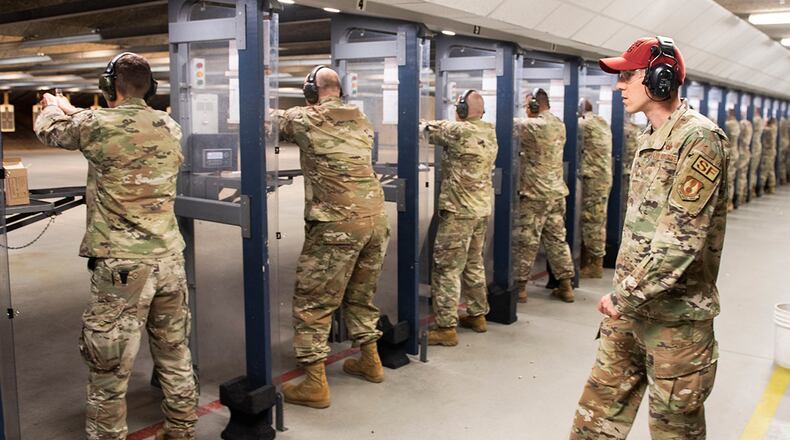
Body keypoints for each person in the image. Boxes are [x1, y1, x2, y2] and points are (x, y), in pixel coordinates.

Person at [34, 52, 198, 440]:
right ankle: (182, 429)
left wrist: (52, 107)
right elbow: (104, 123)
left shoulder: (95, 125)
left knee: (109, 369)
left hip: (123, 267)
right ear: (151, 88)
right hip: (170, 260)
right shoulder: (169, 126)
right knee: (174, 354)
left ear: (108, 88)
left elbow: (52, 130)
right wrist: (74, 110)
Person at [571, 36, 728, 439]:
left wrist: (621, 296)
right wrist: (625, 301)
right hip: (630, 314)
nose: (619, 86)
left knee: (675, 431)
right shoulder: (650, 138)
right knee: (593, 422)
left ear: (660, 79)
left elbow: (680, 243)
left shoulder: (699, 140)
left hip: (676, 324)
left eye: (629, 76)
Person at [275, 65, 389, 409]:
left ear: (311, 91)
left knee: (313, 300)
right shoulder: (363, 119)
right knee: (360, 294)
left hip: (337, 225)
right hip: (375, 220)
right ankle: (371, 360)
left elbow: (271, 120)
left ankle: (314, 383)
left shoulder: (306, 118)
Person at [420, 90, 498, 346]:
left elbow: (425, 129)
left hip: (459, 213)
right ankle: (477, 315)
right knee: (474, 263)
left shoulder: (459, 131)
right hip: (480, 211)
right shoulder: (489, 132)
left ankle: (446, 327)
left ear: (462, 110)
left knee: (446, 269)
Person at [512, 88, 575, 303]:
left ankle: (520, 288)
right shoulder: (559, 123)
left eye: (526, 104)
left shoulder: (534, 125)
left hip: (535, 195)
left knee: (526, 241)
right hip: (556, 193)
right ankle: (566, 285)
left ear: (534, 106)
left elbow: (505, 124)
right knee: (557, 240)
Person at [578, 98, 613, 278]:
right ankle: (593, 261)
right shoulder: (601, 122)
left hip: (594, 179)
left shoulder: (585, 124)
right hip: (603, 177)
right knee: (598, 220)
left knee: (592, 221)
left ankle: (595, 265)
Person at [723, 109, 740, 210]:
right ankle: (731, 202)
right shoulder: (737, 124)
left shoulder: (729, 124)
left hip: (730, 154)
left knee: (728, 180)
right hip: (735, 153)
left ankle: (729, 204)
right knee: (731, 180)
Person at [736, 117, 753, 206]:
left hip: (742, 154)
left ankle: (739, 198)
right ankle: (743, 196)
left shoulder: (742, 126)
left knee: (741, 176)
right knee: (743, 176)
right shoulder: (749, 126)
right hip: (746, 153)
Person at [760, 117, 778, 194]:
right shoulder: (774, 127)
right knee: (770, 170)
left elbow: (763, 129)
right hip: (771, 152)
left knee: (765, 170)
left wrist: (764, 123)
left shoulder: (771, 129)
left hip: (768, 153)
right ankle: (771, 187)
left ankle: (761, 188)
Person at [750, 107, 764, 198]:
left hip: (754, 148)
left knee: (752, 171)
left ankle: (752, 190)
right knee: (753, 171)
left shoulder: (757, 120)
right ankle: (753, 190)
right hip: (757, 147)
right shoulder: (761, 121)